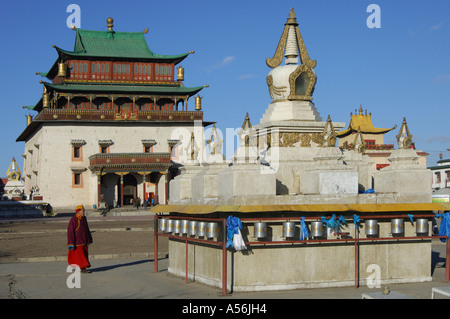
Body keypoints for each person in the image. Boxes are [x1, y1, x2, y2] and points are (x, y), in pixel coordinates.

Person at [67, 205, 93, 273]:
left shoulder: (84, 219)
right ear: (78, 212)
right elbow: (70, 232)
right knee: (79, 256)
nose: (84, 212)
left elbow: (87, 229)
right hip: (77, 242)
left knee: (84, 255)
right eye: (83, 211)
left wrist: (89, 238)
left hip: (84, 240)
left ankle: (78, 267)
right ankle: (82, 268)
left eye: (84, 211)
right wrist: (71, 243)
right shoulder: (74, 220)